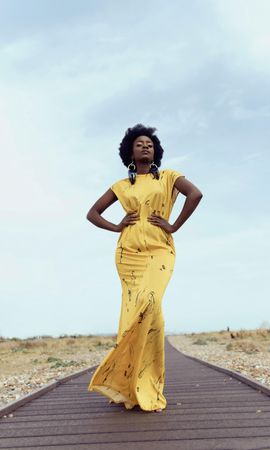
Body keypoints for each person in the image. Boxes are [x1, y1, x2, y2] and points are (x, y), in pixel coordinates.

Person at [86, 123, 203, 413]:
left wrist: (173, 224)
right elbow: (92, 213)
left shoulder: (169, 177)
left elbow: (196, 194)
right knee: (137, 314)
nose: (145, 146)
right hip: (128, 255)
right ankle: (128, 385)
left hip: (160, 250)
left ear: (156, 151)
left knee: (149, 302)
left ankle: (142, 381)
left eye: (149, 143)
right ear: (130, 151)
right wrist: (116, 227)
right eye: (139, 143)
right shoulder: (122, 186)